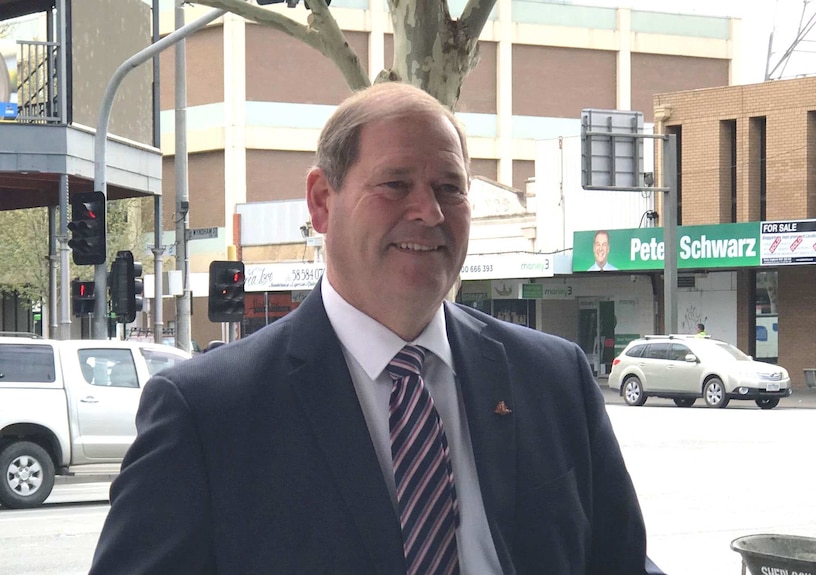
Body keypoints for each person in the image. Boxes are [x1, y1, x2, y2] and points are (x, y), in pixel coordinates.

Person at [89, 82, 659, 575]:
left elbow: (620, 559)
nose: (429, 212)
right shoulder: (208, 413)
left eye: (449, 188)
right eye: (395, 184)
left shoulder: (552, 378)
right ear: (321, 202)